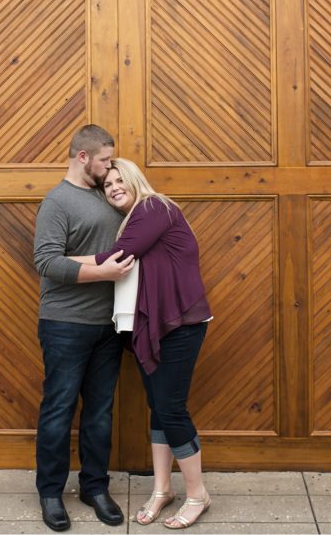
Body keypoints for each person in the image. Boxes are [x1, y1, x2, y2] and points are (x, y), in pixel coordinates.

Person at [71, 158, 213, 529]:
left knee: (171, 408)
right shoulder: (133, 218)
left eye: (120, 180)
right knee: (159, 407)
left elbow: (116, 258)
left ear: (135, 180)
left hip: (179, 325)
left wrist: (63, 261)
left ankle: (198, 495)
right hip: (150, 327)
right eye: (107, 184)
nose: (114, 187)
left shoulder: (154, 206)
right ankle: (162, 489)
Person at [32, 125, 136, 532]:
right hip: (64, 325)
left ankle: (95, 488)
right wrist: (101, 270)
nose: (110, 166)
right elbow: (47, 263)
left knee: (99, 413)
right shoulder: (57, 202)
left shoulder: (107, 193)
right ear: (82, 157)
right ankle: (50, 493)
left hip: (108, 325)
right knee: (58, 410)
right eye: (105, 160)